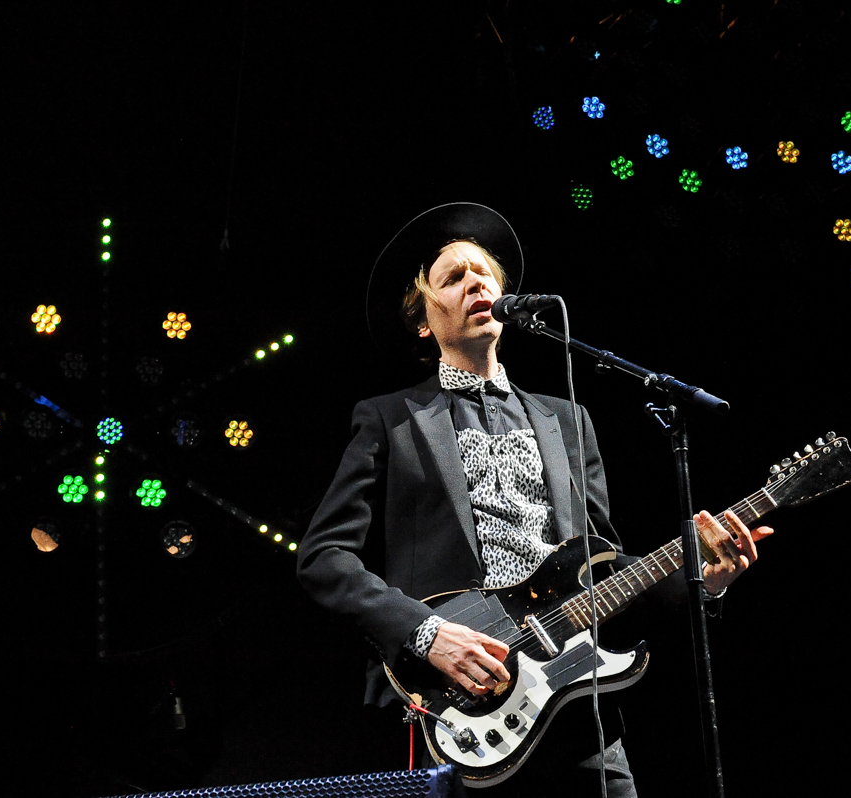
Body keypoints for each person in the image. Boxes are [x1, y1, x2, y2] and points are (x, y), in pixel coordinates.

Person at [295, 203, 770, 798]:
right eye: (454, 277)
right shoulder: (389, 419)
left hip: (579, 711)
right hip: (463, 705)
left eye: (485, 275)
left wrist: (702, 577)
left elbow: (606, 573)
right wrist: (427, 632)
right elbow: (324, 556)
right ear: (423, 320)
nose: (477, 284)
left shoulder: (569, 420)